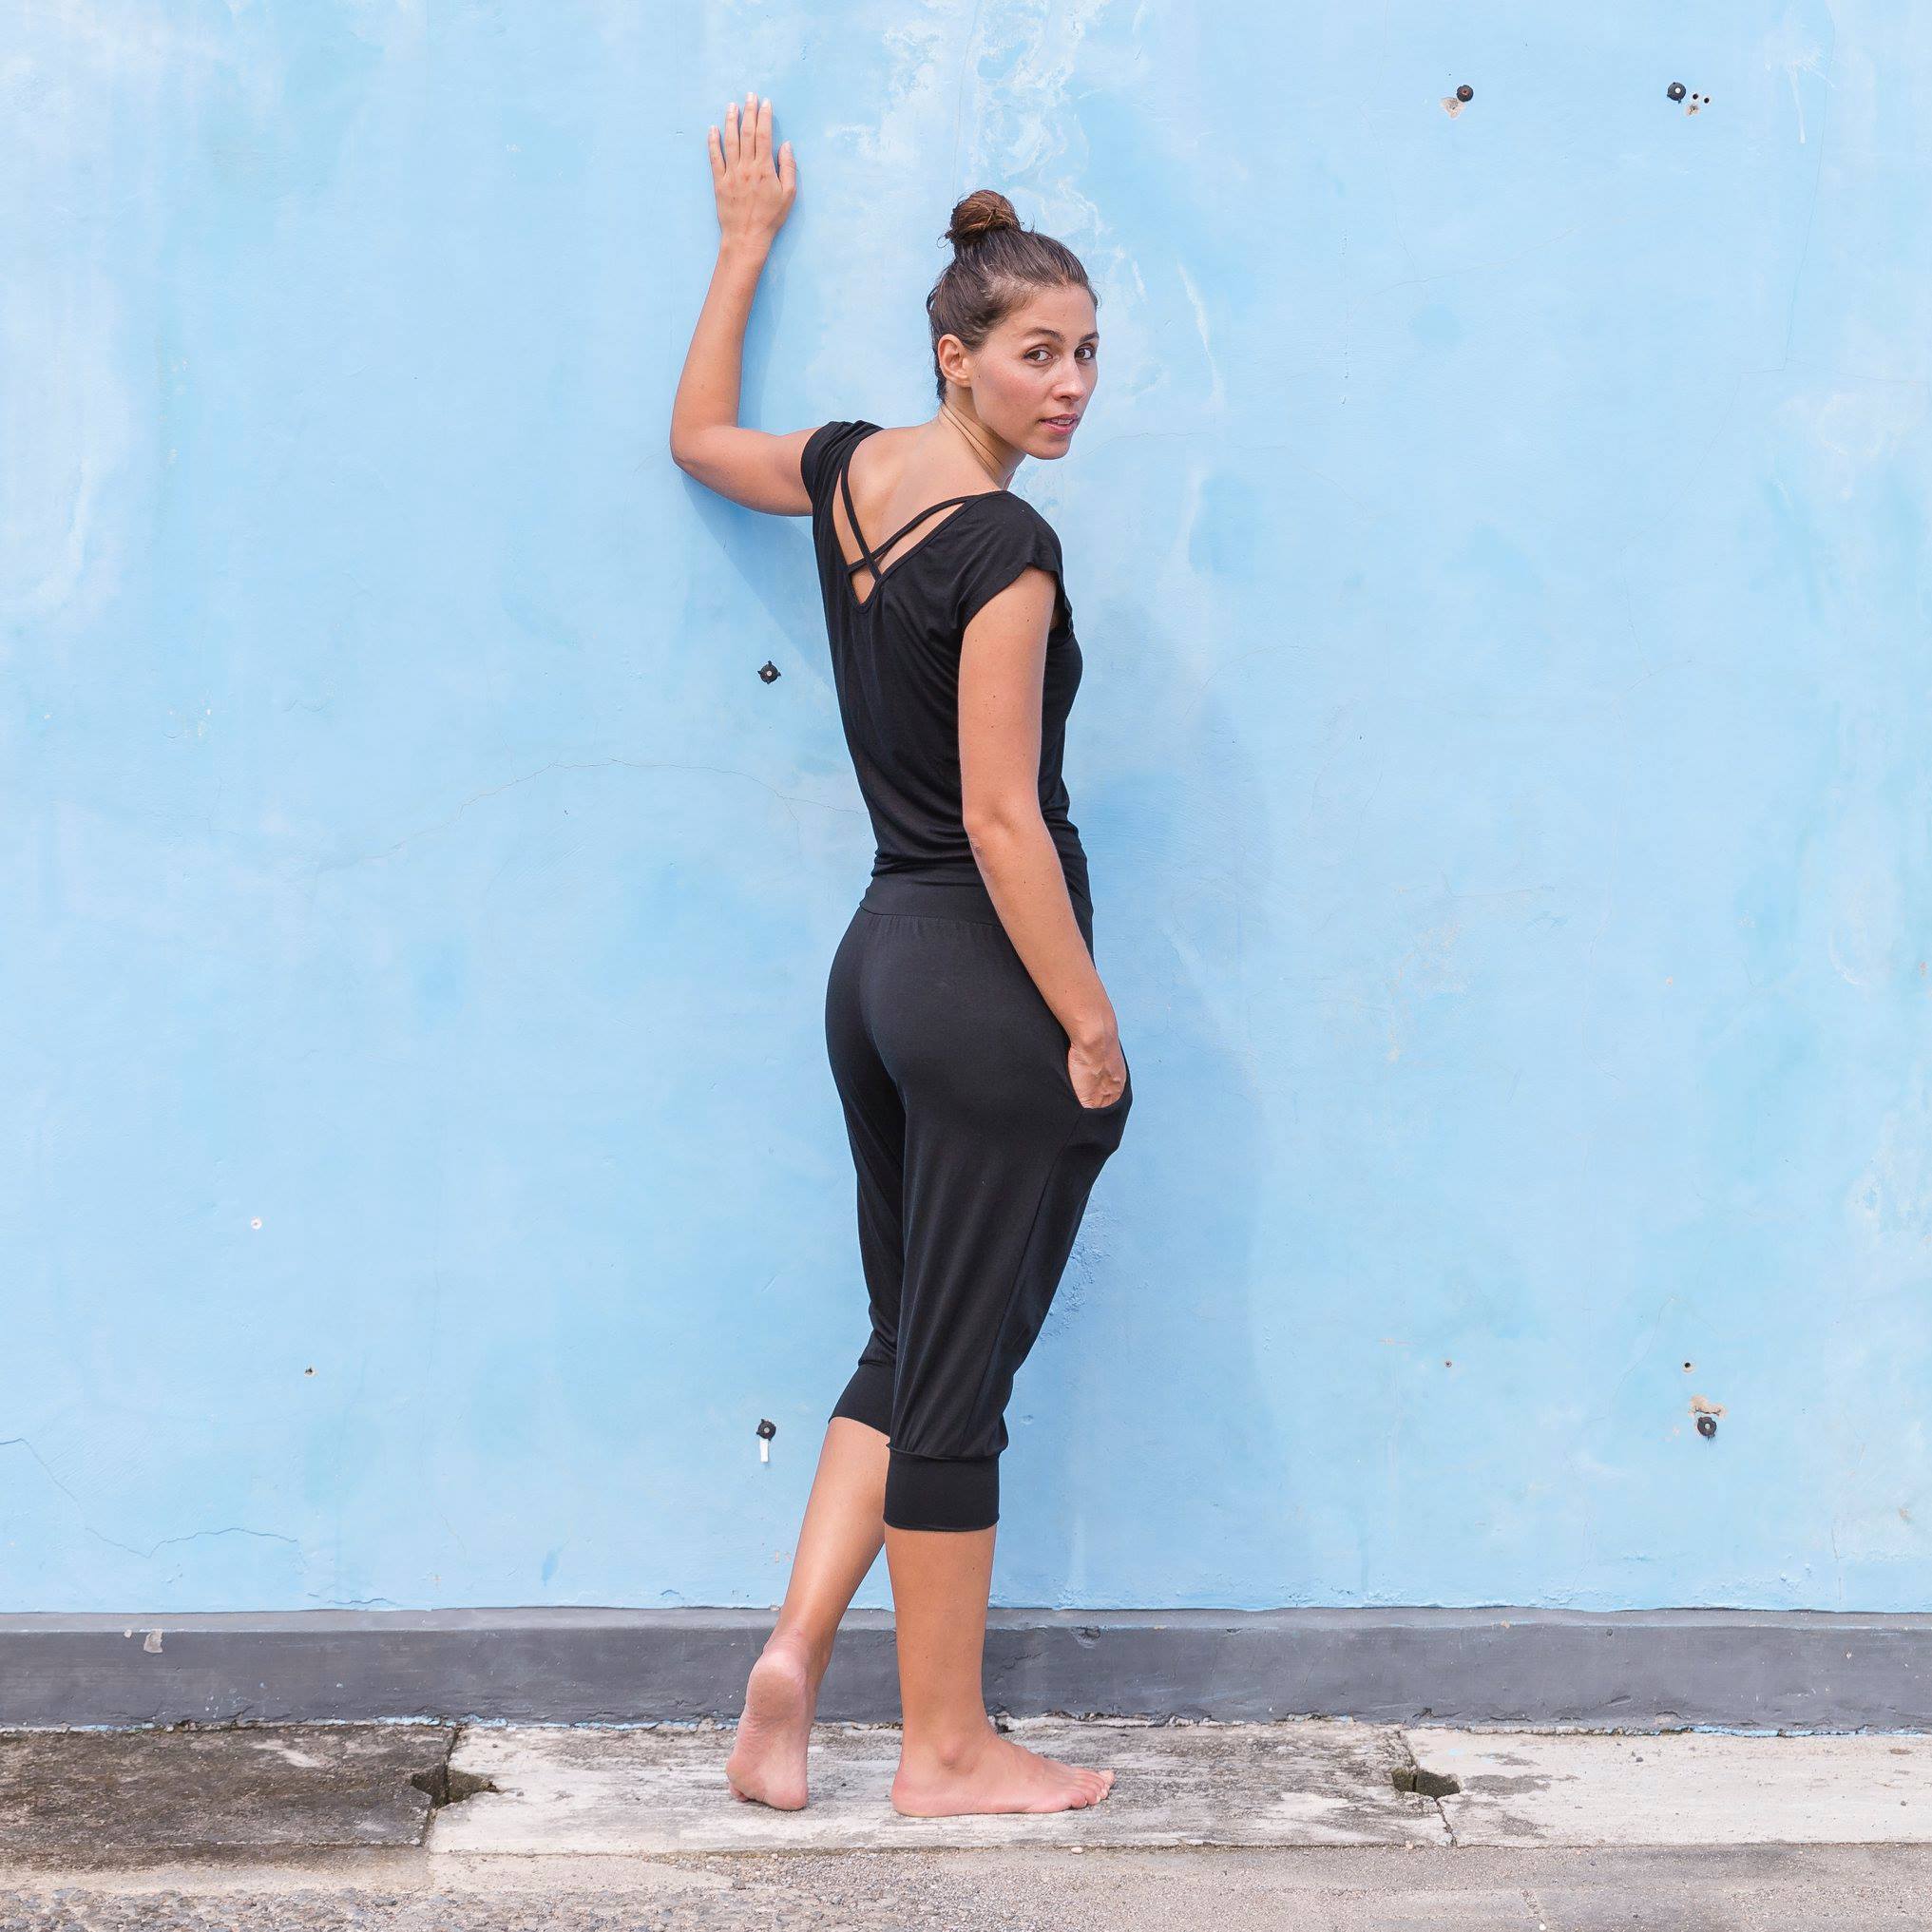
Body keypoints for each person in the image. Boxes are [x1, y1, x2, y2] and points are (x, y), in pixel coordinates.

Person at [671, 90, 1132, 1819]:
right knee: (957, 1376)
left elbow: (699, 439)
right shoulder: (1009, 547)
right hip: (983, 978)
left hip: (875, 970)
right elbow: (1003, 820)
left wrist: (739, 251)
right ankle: (944, 1749)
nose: (1068, 385)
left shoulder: (854, 475)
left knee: (905, 1336)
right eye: (1034, 353)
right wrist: (1087, 1021)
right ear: (958, 357)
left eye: (1085, 353)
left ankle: (792, 1659)